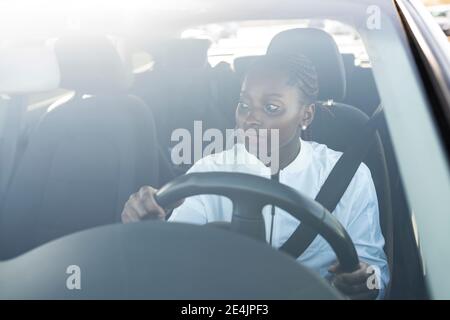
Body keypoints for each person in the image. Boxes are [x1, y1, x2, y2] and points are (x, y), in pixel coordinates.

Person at [121, 53, 389, 299]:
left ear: (306, 114)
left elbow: (377, 272)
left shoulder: (350, 175)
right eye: (244, 105)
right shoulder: (207, 172)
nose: (251, 119)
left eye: (271, 108)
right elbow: (174, 262)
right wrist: (150, 226)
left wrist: (364, 284)